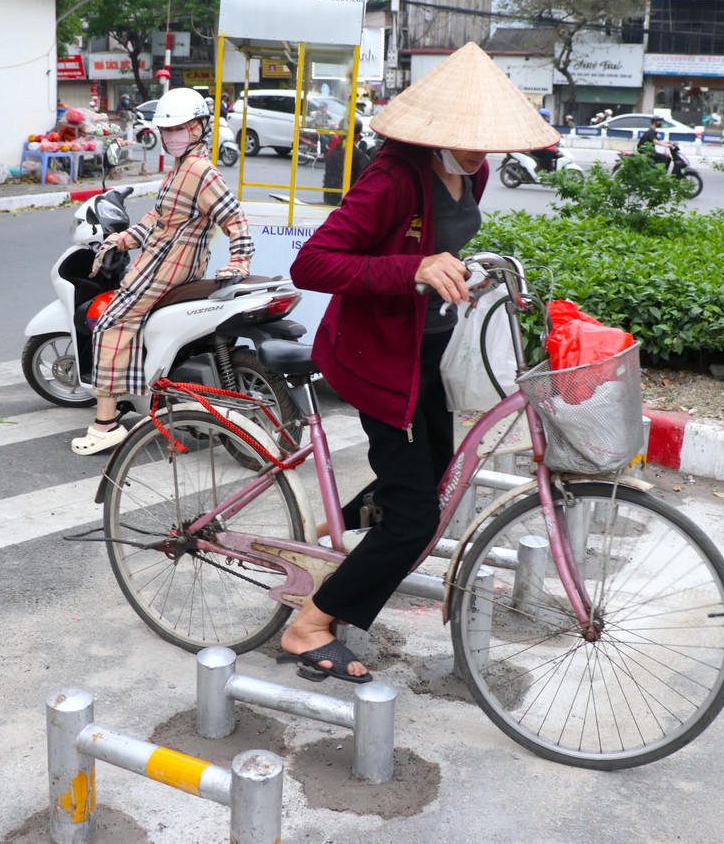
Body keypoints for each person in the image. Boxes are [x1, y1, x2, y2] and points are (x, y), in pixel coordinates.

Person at [279, 42, 561, 681]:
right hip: (380, 361)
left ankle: (340, 528)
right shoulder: (394, 177)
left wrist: (462, 273)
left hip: (428, 353)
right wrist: (416, 268)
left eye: (488, 141)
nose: (479, 152)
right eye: (467, 139)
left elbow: (443, 244)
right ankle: (310, 625)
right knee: (415, 519)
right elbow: (312, 264)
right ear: (434, 130)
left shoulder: (474, 172)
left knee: (433, 473)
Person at [70, 87, 254, 455]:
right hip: (160, 261)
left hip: (167, 268)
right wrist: (123, 239)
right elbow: (159, 220)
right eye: (168, 131)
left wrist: (240, 260)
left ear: (200, 127)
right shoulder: (181, 168)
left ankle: (106, 425)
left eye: (181, 129)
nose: (173, 137)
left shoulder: (200, 171)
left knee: (110, 322)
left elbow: (234, 218)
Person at [322, 120, 373, 204]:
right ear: (358, 136)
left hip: (329, 198)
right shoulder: (358, 156)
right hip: (347, 201)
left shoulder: (334, 151)